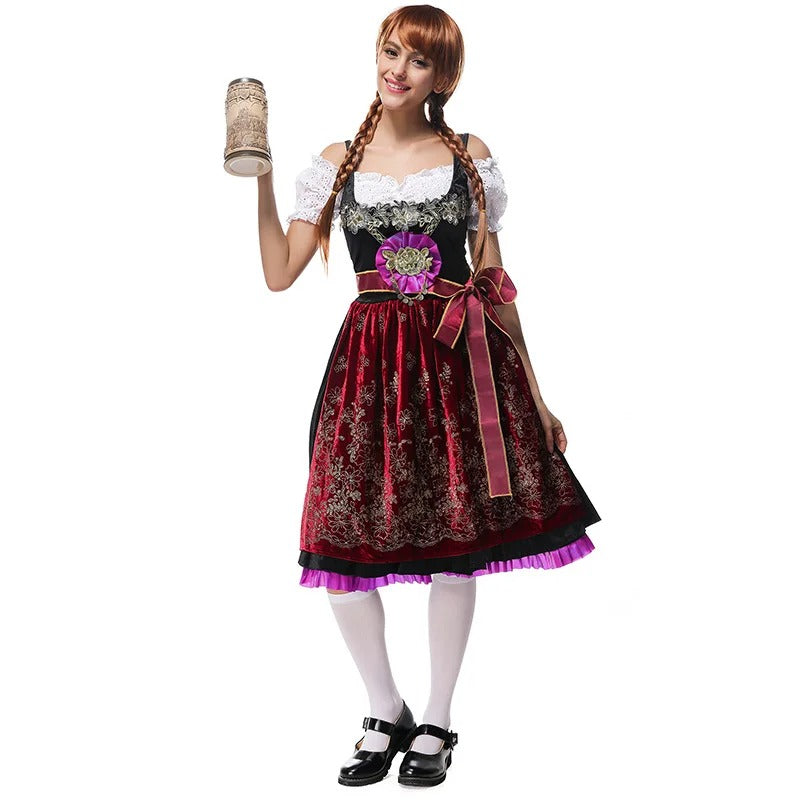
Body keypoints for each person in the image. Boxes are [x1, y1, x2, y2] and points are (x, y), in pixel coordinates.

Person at [256, 4, 601, 788]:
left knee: (455, 535)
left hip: (455, 364)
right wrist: (264, 175)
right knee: (339, 538)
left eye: (418, 60)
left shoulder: (469, 157)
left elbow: (496, 283)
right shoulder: (336, 162)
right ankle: (385, 708)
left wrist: (537, 395)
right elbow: (279, 274)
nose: (399, 70)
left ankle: (438, 719)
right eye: (391, 51)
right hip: (368, 370)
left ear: (442, 77)